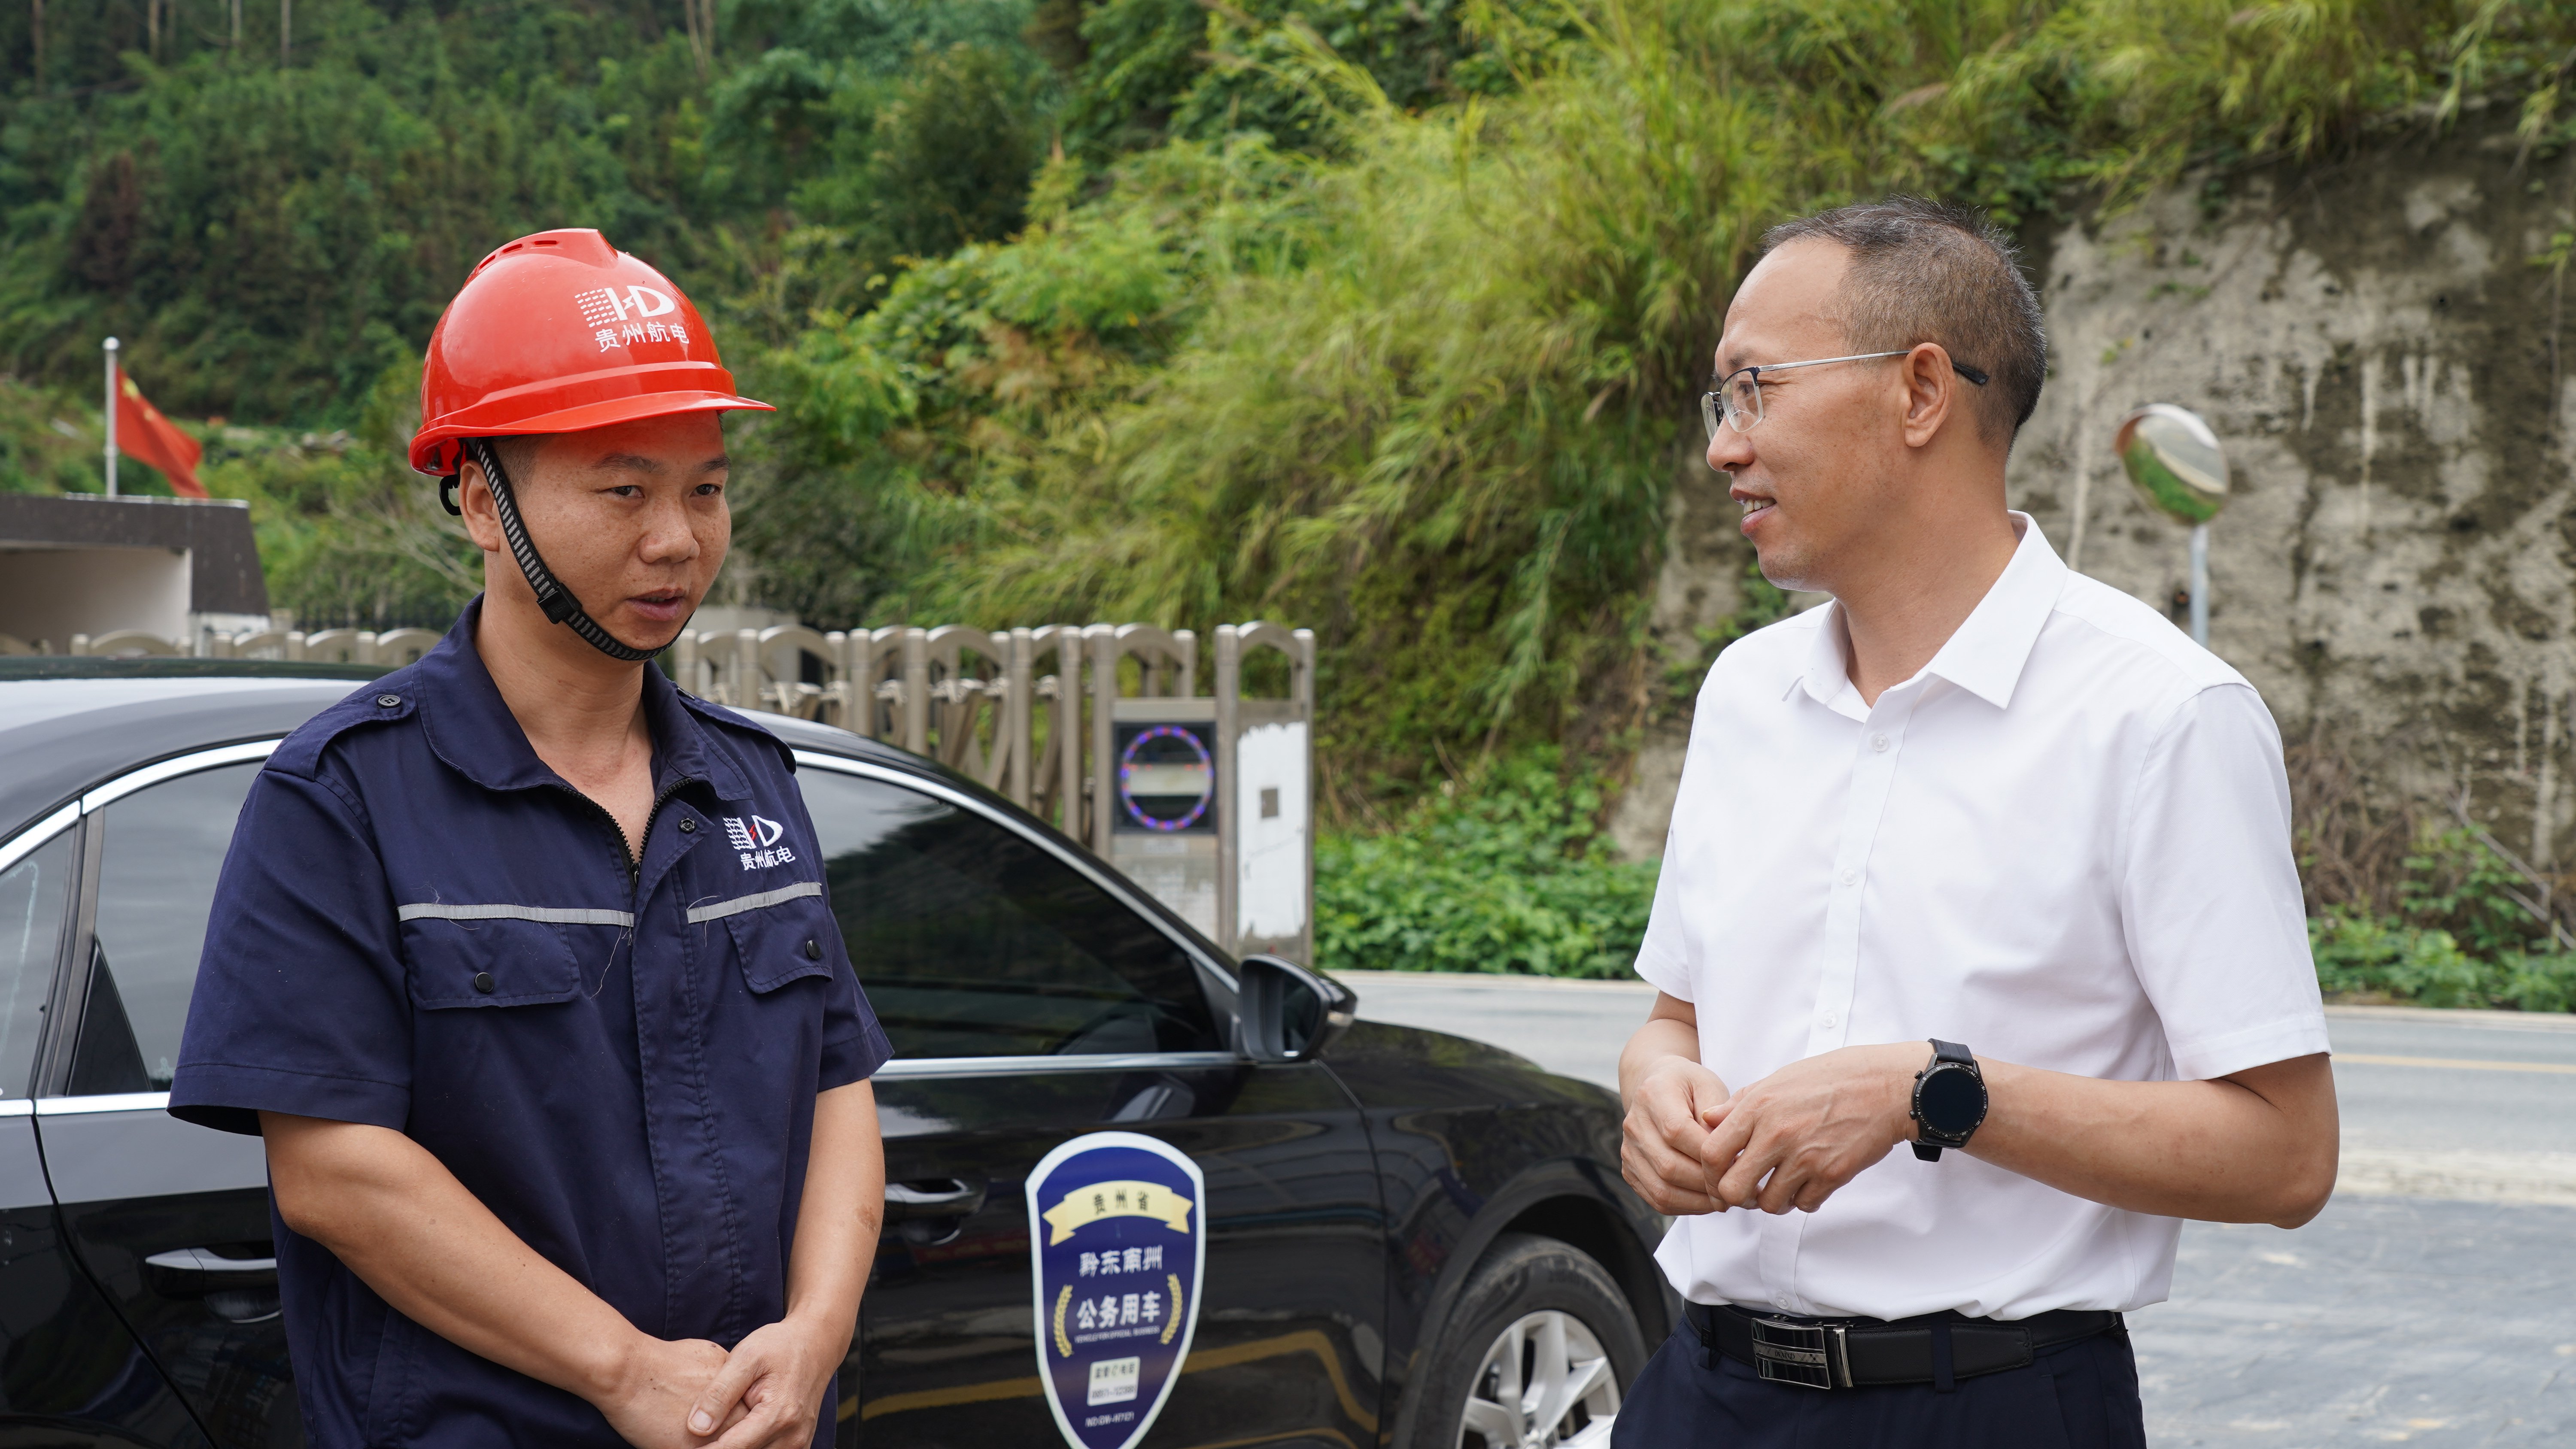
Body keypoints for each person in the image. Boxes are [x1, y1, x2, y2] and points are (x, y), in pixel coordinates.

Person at [1611, 197, 2337, 1445]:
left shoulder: (2160, 714)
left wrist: (1933, 1093)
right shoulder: (1747, 694)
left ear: (1921, 391)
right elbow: (1674, 1018)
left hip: (1986, 1407)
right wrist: (1658, 1092)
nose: (1725, 447)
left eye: (1755, 390)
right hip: (1701, 1390)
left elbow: (2284, 1157)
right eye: (1721, 403)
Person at [170, 228, 892, 1449]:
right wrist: (622, 1372)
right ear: (479, 500)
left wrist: (814, 1336)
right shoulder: (342, 799)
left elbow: (838, 1092)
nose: (678, 539)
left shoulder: (749, 786)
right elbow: (335, 1170)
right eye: (625, 490)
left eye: (704, 488)